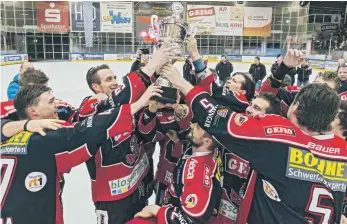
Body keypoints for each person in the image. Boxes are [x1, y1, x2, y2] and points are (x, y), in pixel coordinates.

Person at [162, 49, 346, 224]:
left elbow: (218, 118)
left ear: (295, 108)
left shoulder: (281, 138)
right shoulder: (342, 150)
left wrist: (181, 82)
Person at [0, 84, 154, 224]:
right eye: (51, 102)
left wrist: (24, 125)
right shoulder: (47, 140)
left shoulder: (8, 129)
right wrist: (138, 105)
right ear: (32, 111)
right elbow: (90, 130)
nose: (57, 105)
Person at [77, 43, 182, 224]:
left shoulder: (127, 103)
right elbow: (120, 96)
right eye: (108, 79)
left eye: (115, 77)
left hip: (138, 183)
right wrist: (150, 68)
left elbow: (144, 132)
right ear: (95, 86)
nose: (115, 82)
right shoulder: (90, 106)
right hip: (112, 196)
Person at [131, 123, 222, 224]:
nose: (192, 125)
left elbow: (191, 219)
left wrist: (157, 211)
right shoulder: (207, 150)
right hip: (173, 204)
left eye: (198, 127)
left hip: (173, 214)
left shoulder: (196, 171)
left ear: (207, 141)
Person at [261, 69, 340, 115]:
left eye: (326, 89)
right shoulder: (294, 95)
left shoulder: (337, 116)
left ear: (335, 94)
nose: (319, 91)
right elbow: (266, 93)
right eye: (317, 85)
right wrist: (284, 67)